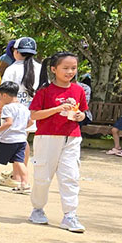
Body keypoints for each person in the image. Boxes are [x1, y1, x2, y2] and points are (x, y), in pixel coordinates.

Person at [28, 53, 88, 232]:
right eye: (66, 68)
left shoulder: (78, 90)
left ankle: (70, 215)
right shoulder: (44, 91)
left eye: (73, 68)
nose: (70, 72)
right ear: (53, 69)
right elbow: (34, 115)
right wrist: (57, 109)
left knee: (70, 176)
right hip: (47, 137)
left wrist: (80, 116)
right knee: (43, 176)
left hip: (72, 137)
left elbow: (84, 112)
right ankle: (37, 209)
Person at [0, 82, 31, 191]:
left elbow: (8, 123)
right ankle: (25, 184)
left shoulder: (7, 108)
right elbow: (31, 122)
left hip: (8, 140)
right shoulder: (24, 108)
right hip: (21, 140)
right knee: (20, 162)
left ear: (4, 95)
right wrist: (20, 128)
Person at [0, 37, 43, 104]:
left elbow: (3, 94)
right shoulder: (40, 68)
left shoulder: (11, 69)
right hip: (37, 110)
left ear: (16, 51)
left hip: (15, 111)